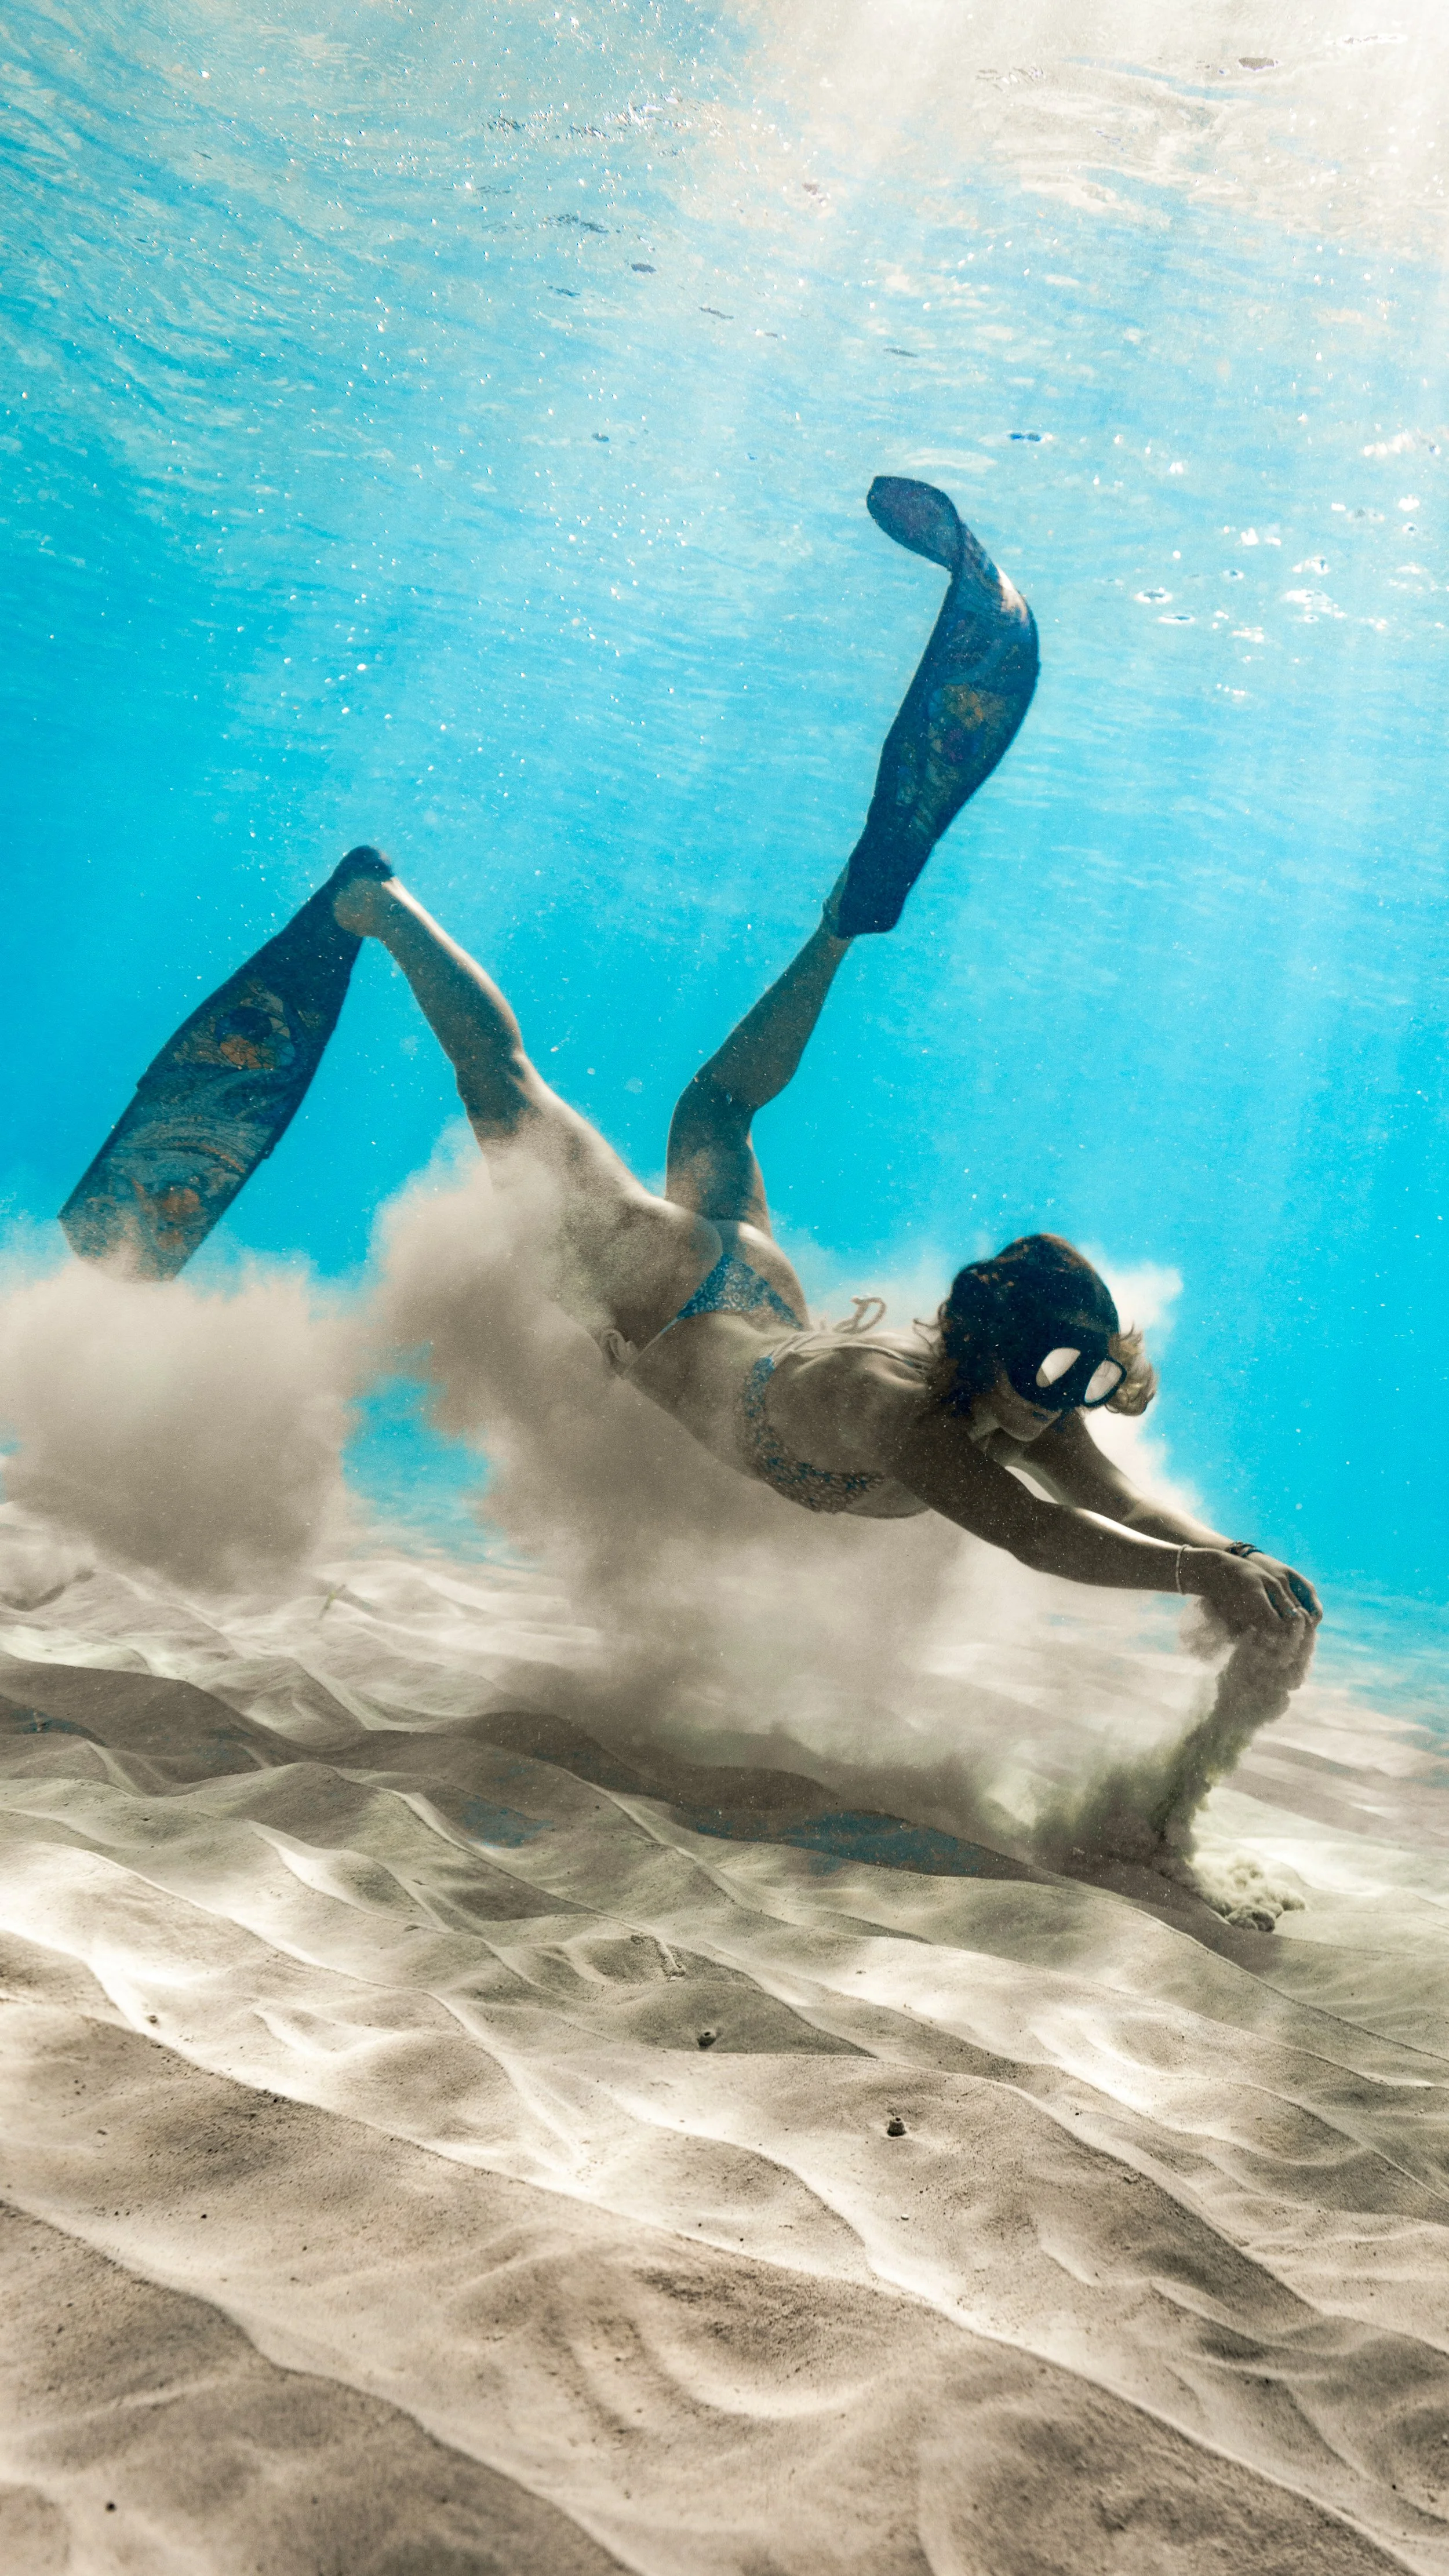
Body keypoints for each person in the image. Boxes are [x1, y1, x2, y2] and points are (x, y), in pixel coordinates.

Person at [67, 475, 1321, 1635]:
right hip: (666, 1299)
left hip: (756, 1298)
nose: (1068, 1400)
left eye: (1090, 1374)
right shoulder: (909, 1419)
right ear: (992, 1347)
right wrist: (1194, 1573)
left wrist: (1224, 1551)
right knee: (505, 1093)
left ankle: (838, 929)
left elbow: (1110, 1497)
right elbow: (1042, 1536)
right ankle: (374, 903)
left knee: (717, 1103)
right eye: (1058, 1368)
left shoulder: (1010, 1399)